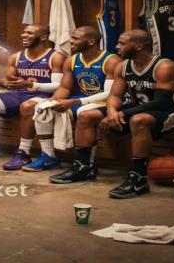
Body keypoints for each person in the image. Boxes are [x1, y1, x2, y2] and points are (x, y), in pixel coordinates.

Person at [0, 24, 66, 166]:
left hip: (44, 96)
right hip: (19, 94)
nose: (24, 35)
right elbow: (10, 85)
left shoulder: (56, 57)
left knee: (27, 106)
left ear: (43, 37)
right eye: (24, 32)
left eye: (29, 33)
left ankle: (23, 152)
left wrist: (30, 85)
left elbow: (59, 85)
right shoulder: (16, 57)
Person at [101, 29, 174, 198]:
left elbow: (162, 103)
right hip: (144, 109)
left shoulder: (164, 67)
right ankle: (86, 166)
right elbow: (115, 96)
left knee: (137, 120)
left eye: (122, 43)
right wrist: (111, 112)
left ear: (138, 46)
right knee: (97, 117)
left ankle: (138, 178)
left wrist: (124, 114)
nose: (117, 46)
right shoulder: (123, 66)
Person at [47, 26, 120, 181]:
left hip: (105, 102)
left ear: (91, 41)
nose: (70, 41)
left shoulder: (112, 61)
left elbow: (110, 94)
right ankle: (47, 156)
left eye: (75, 38)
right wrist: (51, 101)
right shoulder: (71, 60)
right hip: (81, 100)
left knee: (85, 115)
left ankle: (83, 166)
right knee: (44, 109)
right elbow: (65, 88)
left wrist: (75, 101)